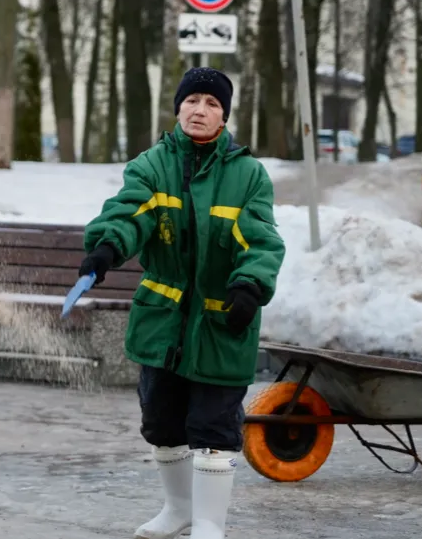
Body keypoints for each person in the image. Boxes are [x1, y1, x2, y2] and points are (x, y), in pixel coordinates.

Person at [77, 67, 285, 539]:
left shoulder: (248, 174)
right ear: (178, 108)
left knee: (213, 429)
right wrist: (108, 246)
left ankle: (210, 524)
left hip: (221, 320)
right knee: (162, 422)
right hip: (163, 323)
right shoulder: (151, 165)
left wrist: (250, 284)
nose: (200, 110)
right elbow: (132, 212)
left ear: (224, 117)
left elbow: (258, 238)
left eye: (212, 104)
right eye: (192, 100)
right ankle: (179, 510)